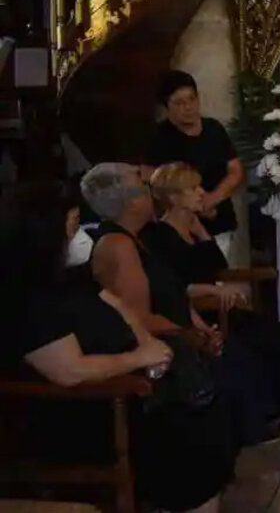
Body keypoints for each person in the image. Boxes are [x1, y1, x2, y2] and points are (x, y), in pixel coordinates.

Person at [1, 183, 237, 513]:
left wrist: (148, 343)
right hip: (86, 409)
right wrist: (137, 358)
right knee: (191, 443)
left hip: (130, 385)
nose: (80, 235)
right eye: (73, 225)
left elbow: (118, 305)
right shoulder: (26, 299)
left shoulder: (67, 277)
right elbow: (69, 371)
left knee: (211, 411)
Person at [82, 163, 280, 446]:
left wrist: (201, 328)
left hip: (184, 326)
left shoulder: (134, 239)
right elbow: (137, 316)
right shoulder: (118, 244)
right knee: (237, 360)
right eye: (144, 188)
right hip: (162, 341)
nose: (151, 194)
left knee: (253, 347)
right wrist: (193, 336)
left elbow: (175, 291)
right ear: (131, 203)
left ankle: (268, 425)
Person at [143, 162, 280, 438]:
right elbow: (169, 288)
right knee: (250, 349)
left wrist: (201, 232)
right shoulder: (158, 237)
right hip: (195, 313)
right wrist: (211, 291)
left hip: (222, 308)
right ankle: (255, 425)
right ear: (173, 197)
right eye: (193, 189)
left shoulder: (194, 230)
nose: (201, 193)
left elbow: (217, 266)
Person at [143, 70, 244, 260]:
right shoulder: (158, 138)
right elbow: (153, 182)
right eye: (179, 103)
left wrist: (212, 199)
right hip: (181, 229)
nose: (188, 107)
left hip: (219, 222)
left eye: (192, 99)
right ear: (166, 106)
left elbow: (235, 171)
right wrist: (194, 207)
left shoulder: (214, 129)